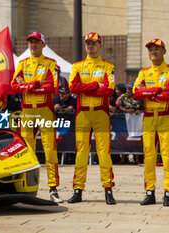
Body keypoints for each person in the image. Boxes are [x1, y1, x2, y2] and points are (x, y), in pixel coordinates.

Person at [11, 32, 62, 203]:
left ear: (43, 45)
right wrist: (35, 84)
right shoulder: (22, 63)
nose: (33, 45)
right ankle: (26, 188)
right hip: (27, 111)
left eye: (36, 42)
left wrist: (27, 86)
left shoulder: (51, 63)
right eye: (31, 42)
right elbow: (14, 86)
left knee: (49, 150)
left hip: (44, 110)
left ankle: (53, 189)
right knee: (27, 150)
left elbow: (51, 86)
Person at [68, 32, 116, 205]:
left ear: (100, 45)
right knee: (81, 153)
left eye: (94, 43)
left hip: (101, 113)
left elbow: (109, 90)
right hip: (83, 113)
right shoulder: (77, 66)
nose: (90, 46)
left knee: (104, 153)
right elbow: (73, 86)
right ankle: (77, 190)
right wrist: (96, 85)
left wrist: (84, 88)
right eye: (88, 43)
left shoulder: (108, 67)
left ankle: (108, 190)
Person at [133, 38, 169, 206]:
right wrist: (157, 90)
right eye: (150, 49)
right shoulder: (143, 72)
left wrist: (148, 92)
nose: (153, 52)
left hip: (166, 117)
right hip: (149, 118)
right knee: (149, 157)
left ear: (164, 51)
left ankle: (168, 193)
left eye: (157, 49)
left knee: (167, 157)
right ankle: (149, 192)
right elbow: (136, 93)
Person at [117, 82, 144, 165]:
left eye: (130, 89)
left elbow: (144, 107)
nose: (128, 90)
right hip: (124, 120)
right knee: (124, 139)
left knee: (135, 139)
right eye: (127, 89)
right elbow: (119, 106)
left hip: (136, 120)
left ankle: (137, 159)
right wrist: (127, 111)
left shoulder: (139, 97)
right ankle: (123, 159)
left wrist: (139, 111)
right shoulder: (123, 97)